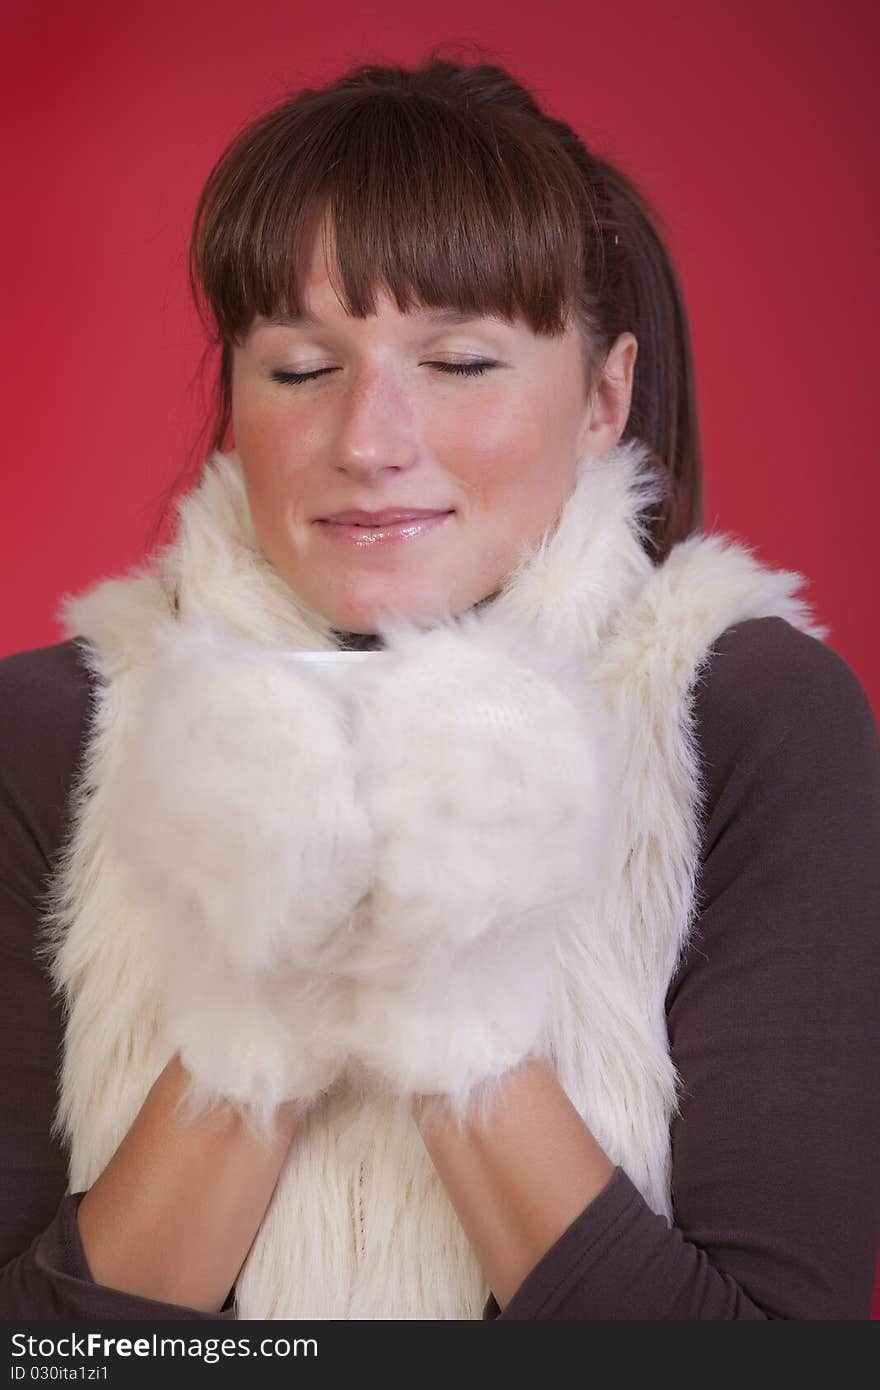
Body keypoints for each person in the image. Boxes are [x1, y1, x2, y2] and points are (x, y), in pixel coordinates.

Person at [2, 51, 879, 1322]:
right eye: (301, 369)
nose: (367, 443)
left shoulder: (750, 718)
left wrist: (451, 1002)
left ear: (603, 397)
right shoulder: (48, 732)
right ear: (237, 405)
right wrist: (261, 1009)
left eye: (460, 363)